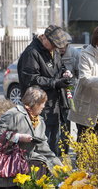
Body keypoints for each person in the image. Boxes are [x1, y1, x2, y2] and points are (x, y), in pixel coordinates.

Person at [0, 86, 62, 189]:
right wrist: (18, 137)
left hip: (24, 160)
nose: (44, 106)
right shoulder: (13, 114)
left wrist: (59, 167)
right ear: (33, 103)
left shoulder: (40, 121)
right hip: (5, 158)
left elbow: (44, 149)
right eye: (42, 103)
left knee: (42, 169)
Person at [17, 25, 72, 156]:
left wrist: (65, 73)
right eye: (54, 45)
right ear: (44, 38)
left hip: (55, 104)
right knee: (43, 144)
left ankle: (55, 171)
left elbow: (59, 67)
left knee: (56, 143)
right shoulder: (31, 53)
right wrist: (55, 83)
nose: (55, 48)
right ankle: (45, 172)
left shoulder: (53, 51)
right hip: (40, 106)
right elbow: (30, 80)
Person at [58, 33, 81, 155]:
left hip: (72, 91)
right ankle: (63, 151)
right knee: (64, 122)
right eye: (59, 46)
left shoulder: (74, 54)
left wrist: (72, 81)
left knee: (76, 120)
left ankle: (76, 150)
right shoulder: (54, 53)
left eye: (64, 46)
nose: (61, 49)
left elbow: (80, 74)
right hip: (59, 90)